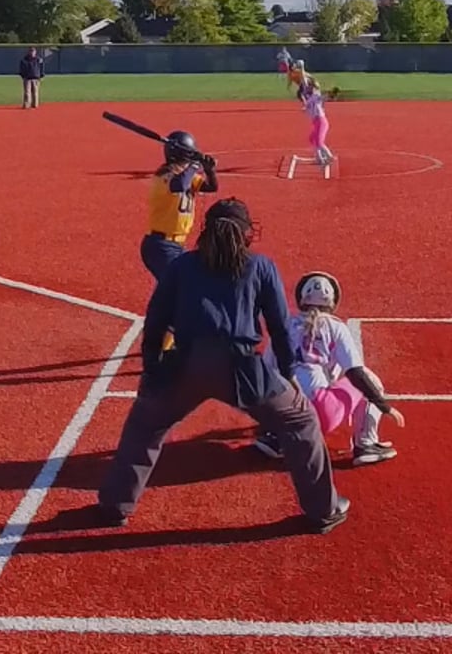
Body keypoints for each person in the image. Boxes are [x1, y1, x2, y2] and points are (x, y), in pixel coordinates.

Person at [97, 198, 347, 534]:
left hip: (185, 363)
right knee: (301, 421)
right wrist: (288, 374)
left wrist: (153, 369)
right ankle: (323, 510)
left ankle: (116, 505)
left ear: (205, 230)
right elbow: (278, 327)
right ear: (247, 233)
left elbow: (155, 320)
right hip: (241, 367)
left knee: (145, 425)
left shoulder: (181, 266)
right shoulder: (260, 266)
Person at [254, 271, 404, 466]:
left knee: (279, 385)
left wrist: (267, 419)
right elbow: (355, 373)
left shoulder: (286, 325)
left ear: (302, 299)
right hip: (320, 414)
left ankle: (276, 437)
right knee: (369, 377)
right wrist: (385, 406)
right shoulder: (336, 327)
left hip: (287, 413)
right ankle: (366, 444)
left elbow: (265, 372)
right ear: (332, 301)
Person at [140, 131, 219, 280]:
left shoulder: (187, 177)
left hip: (177, 245)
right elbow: (179, 185)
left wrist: (209, 170)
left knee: (177, 285)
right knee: (181, 284)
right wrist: (195, 165)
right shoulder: (163, 177)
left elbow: (212, 187)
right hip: (160, 246)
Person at [301, 78, 334, 167]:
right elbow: (307, 105)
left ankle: (329, 157)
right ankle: (319, 158)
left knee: (319, 142)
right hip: (316, 123)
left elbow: (322, 97)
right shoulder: (309, 99)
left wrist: (330, 95)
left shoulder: (316, 95)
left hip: (321, 122)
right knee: (312, 139)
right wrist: (305, 107)